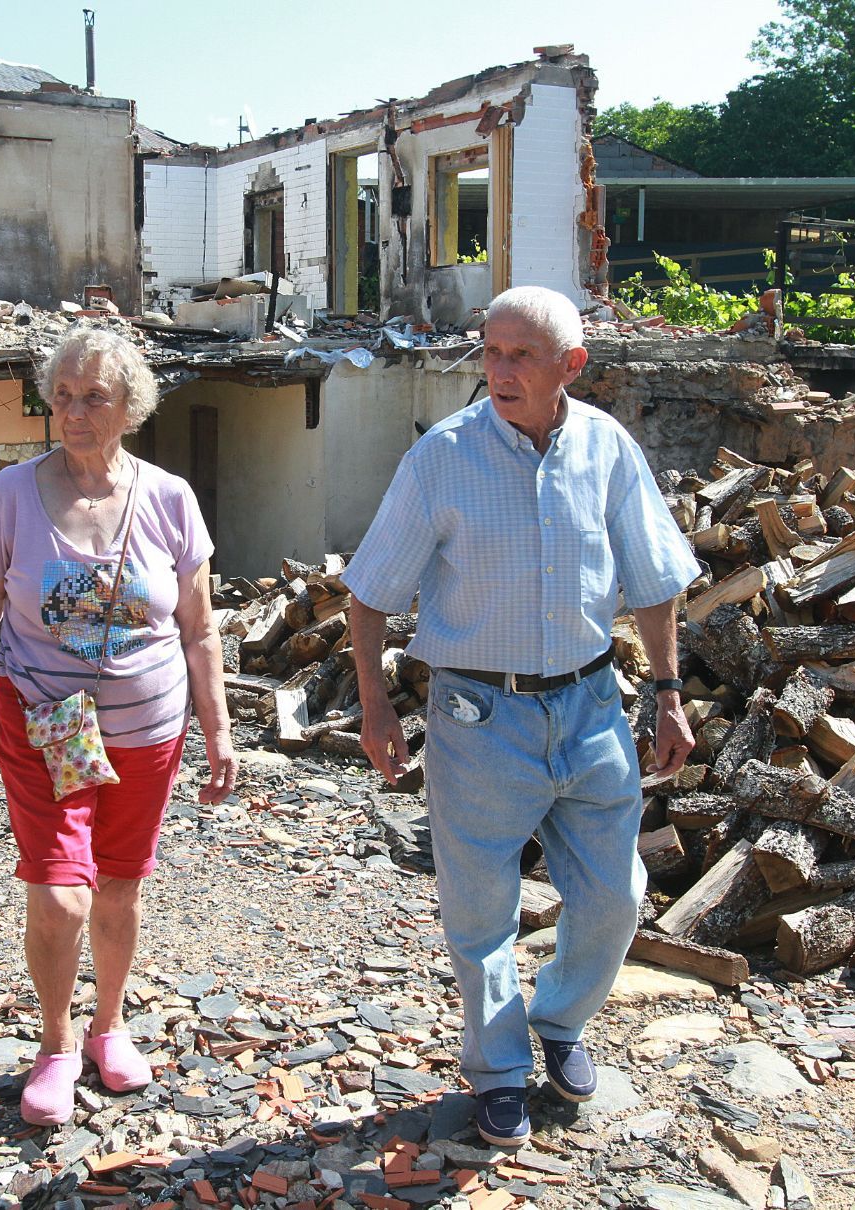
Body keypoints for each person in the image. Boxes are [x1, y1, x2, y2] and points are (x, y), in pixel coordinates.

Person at [345, 285, 699, 1147]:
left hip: (589, 704)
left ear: (570, 366)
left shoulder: (608, 450)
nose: (497, 370)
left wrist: (668, 693)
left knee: (617, 896)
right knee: (480, 911)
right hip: (476, 713)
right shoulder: (443, 458)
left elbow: (654, 580)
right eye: (489, 351)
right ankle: (498, 1067)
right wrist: (376, 705)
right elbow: (369, 594)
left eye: (519, 355)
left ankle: (560, 1020)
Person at [0, 326, 237, 1126]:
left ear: (130, 406)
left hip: (148, 729)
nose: (74, 412)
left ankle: (109, 1027)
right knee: (62, 895)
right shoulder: (14, 493)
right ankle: (56, 1044)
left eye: (93, 396)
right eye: (62, 396)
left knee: (121, 889)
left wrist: (220, 734)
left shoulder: (169, 498)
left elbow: (199, 630)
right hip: (43, 721)